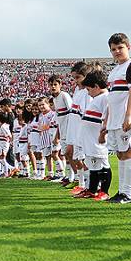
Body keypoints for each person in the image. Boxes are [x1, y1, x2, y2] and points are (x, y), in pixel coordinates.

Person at [103, 33, 131, 204]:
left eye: (120, 47)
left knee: (129, 152)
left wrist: (128, 115)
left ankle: (128, 193)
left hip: (126, 117)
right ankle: (122, 191)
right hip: (115, 119)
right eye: (113, 49)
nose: (117, 51)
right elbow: (112, 97)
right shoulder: (114, 71)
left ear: (128, 47)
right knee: (120, 154)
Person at [77, 70, 112, 201]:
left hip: (97, 139)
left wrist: (103, 133)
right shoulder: (97, 98)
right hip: (89, 139)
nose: (88, 92)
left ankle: (104, 191)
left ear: (96, 86)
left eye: (89, 89)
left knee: (103, 163)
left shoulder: (105, 98)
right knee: (94, 164)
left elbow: (107, 117)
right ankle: (92, 189)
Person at [66, 62, 92, 193]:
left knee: (84, 159)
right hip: (75, 131)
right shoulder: (78, 91)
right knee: (77, 159)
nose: (75, 81)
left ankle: (88, 186)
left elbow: (85, 114)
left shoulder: (88, 92)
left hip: (82, 131)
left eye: (78, 78)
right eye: (74, 78)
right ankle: (82, 184)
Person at [49, 75, 73, 184]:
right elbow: (59, 119)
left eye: (55, 84)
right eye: (51, 85)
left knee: (70, 153)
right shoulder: (54, 99)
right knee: (65, 154)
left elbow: (72, 112)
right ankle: (68, 176)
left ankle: (74, 177)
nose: (53, 87)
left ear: (60, 85)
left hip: (69, 128)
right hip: (63, 129)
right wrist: (57, 135)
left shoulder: (64, 95)